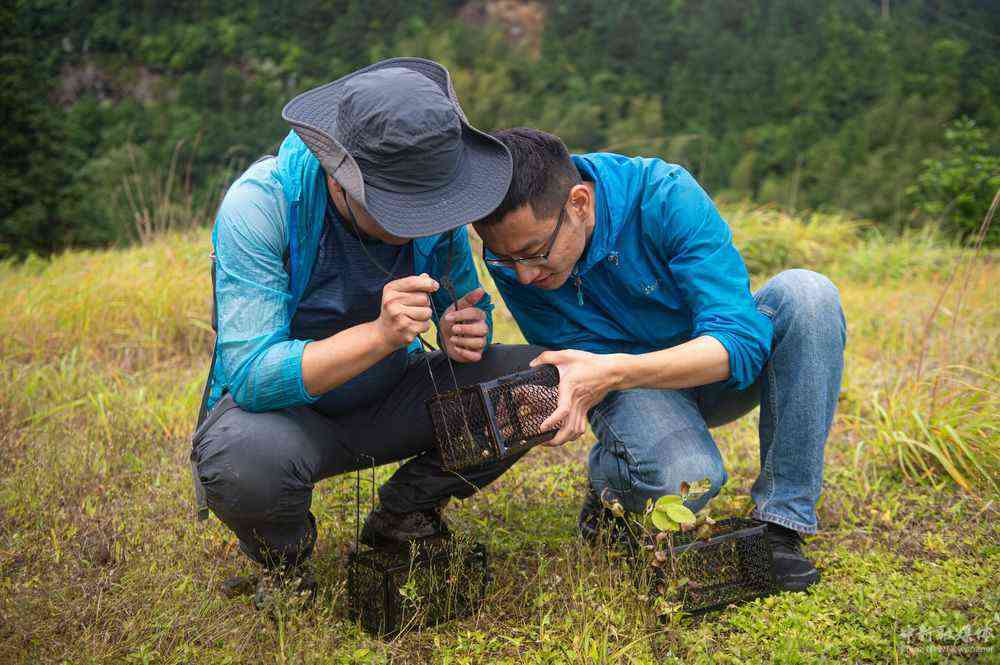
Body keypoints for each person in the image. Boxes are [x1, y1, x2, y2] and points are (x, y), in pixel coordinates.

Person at [190, 59, 543, 608]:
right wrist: (379, 335)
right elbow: (253, 377)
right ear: (340, 178)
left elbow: (465, 302)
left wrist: (462, 333)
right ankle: (284, 565)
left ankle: (404, 512)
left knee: (535, 384)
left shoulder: (437, 207)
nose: (426, 220)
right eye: (404, 209)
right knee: (241, 460)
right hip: (289, 421)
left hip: (392, 399)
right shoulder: (261, 206)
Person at [473, 128, 847, 592]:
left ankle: (781, 525)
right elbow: (580, 364)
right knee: (686, 479)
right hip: (629, 389)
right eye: (506, 260)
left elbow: (741, 341)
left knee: (808, 295)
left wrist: (614, 369)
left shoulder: (664, 195)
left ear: (579, 204)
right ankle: (614, 484)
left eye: (535, 254)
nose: (524, 276)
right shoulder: (512, 252)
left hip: (709, 369)